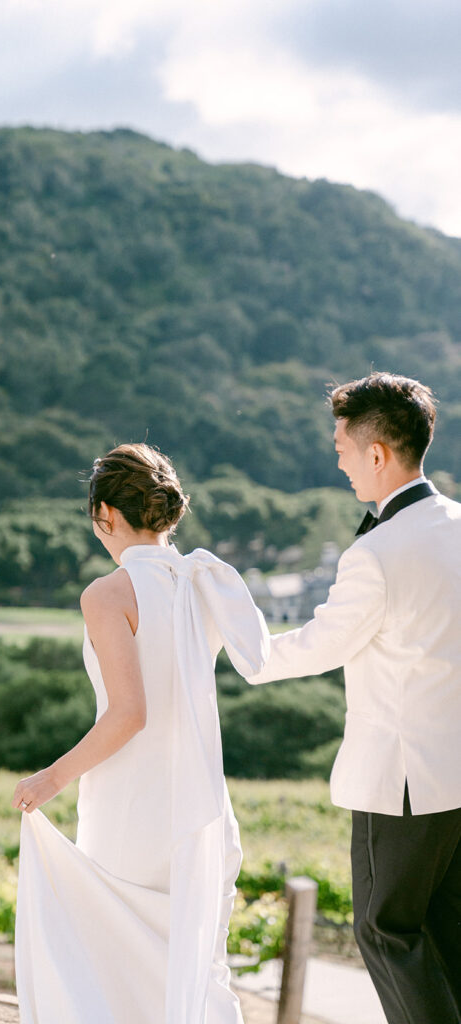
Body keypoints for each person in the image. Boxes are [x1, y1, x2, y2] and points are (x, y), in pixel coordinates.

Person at [12, 442, 269, 1024]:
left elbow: (129, 713)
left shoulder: (108, 594)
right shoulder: (200, 583)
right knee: (198, 969)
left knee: (117, 967)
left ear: (105, 513)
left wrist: (51, 778)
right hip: (201, 806)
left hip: (132, 809)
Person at [246, 372, 461, 1024]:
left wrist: (243, 650)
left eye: (342, 449)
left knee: (383, 928)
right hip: (456, 771)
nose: (338, 463)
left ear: (377, 453)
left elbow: (322, 644)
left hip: (401, 779)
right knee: (445, 930)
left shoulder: (377, 552)